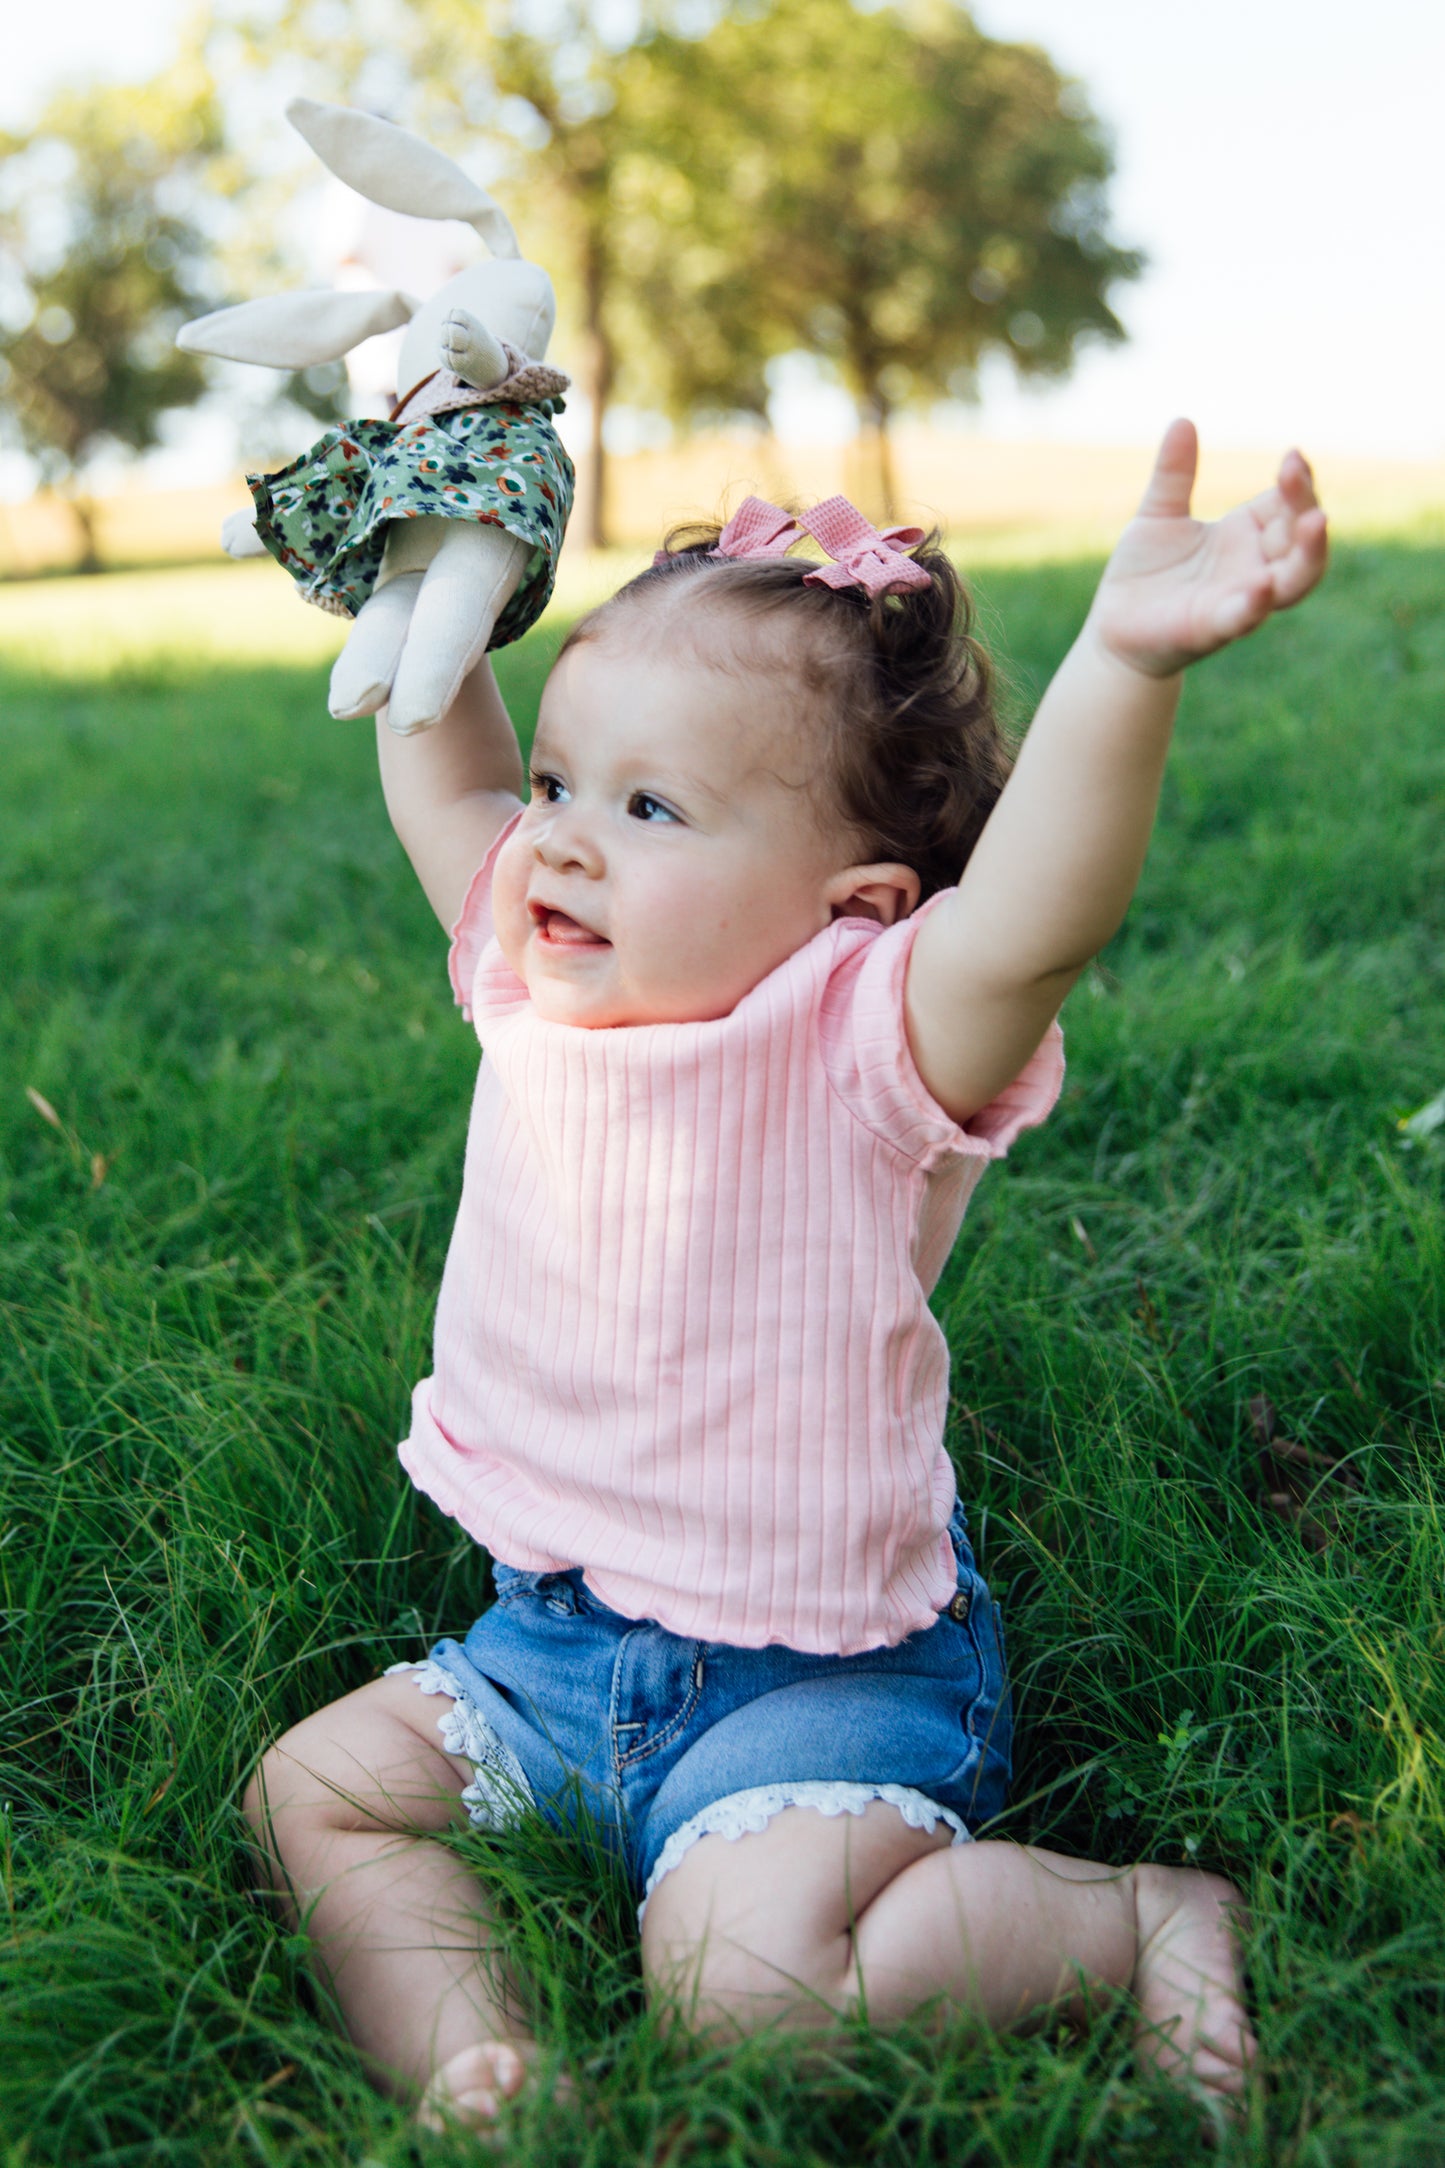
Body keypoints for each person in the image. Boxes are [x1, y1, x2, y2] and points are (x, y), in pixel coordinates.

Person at [242, 419, 1327, 2129]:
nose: (558, 842)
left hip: (815, 1683)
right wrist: (422, 574)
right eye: (561, 784)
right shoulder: (537, 970)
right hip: (548, 1650)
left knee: (747, 2007)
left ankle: (1131, 1919)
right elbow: (447, 775)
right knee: (319, 1792)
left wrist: (1123, 662)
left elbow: (1035, 917)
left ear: (857, 906)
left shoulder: (863, 1038)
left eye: (649, 804)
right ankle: (474, 2067)